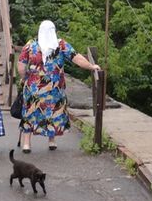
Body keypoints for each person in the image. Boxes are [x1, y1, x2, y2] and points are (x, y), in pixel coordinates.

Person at [17, 20, 99, 152]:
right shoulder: (60, 45)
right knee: (53, 112)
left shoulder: (30, 45)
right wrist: (91, 66)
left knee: (30, 113)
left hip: (33, 87)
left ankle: (26, 143)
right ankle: (52, 141)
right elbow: (76, 58)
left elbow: (21, 65)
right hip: (55, 88)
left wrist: (24, 77)